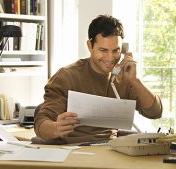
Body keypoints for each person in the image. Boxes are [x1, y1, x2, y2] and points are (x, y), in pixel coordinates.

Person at [33, 14, 163, 145]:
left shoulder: (123, 77)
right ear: (90, 46)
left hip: (110, 149)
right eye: (103, 50)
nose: (110, 57)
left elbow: (155, 112)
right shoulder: (66, 76)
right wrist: (56, 128)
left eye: (116, 50)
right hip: (74, 150)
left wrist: (135, 81)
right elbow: (41, 122)